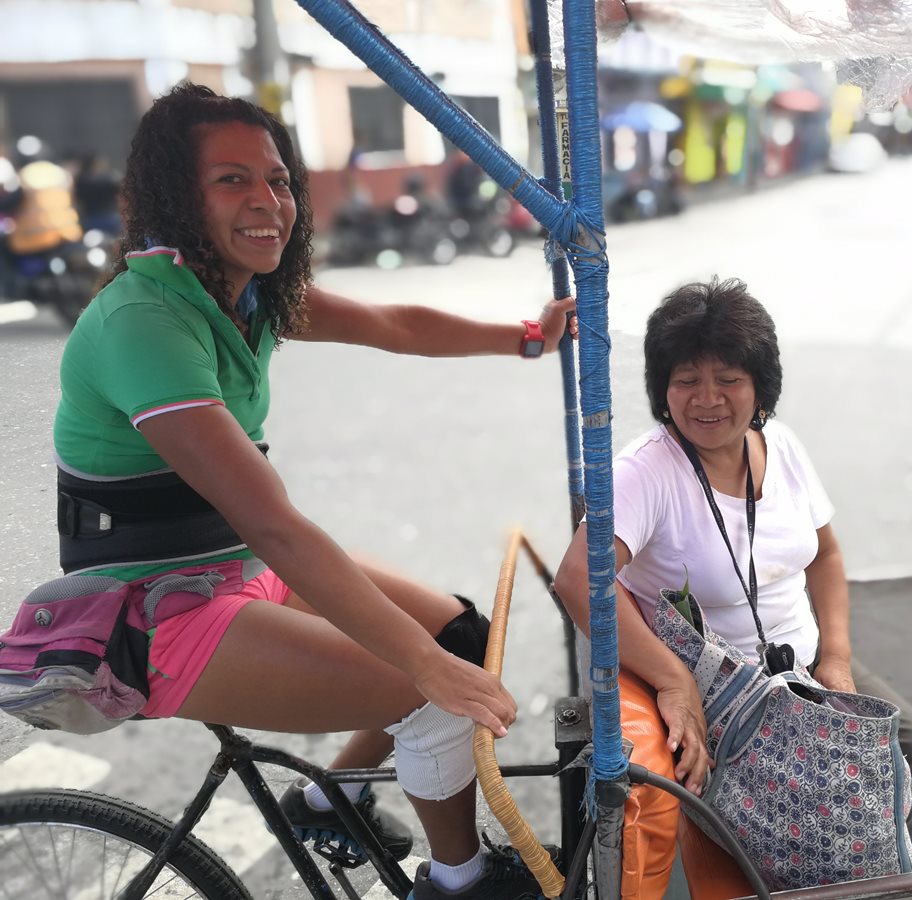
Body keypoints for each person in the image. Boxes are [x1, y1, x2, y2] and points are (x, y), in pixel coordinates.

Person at [49, 83, 575, 900]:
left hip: (227, 567)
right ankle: (459, 884)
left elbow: (394, 324)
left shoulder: (244, 295)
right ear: (175, 197)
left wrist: (529, 339)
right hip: (150, 608)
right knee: (426, 686)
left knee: (457, 633)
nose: (269, 202)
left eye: (280, 180)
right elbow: (275, 524)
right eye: (232, 180)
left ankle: (327, 799)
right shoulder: (146, 319)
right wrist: (424, 668)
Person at [554, 277, 912, 898]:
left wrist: (836, 660)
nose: (707, 399)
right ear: (662, 389)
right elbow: (579, 579)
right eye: (686, 379)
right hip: (730, 691)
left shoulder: (783, 446)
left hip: (805, 667)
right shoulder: (645, 471)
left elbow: (827, 555)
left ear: (760, 386)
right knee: (867, 792)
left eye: (729, 379)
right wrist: (672, 679)